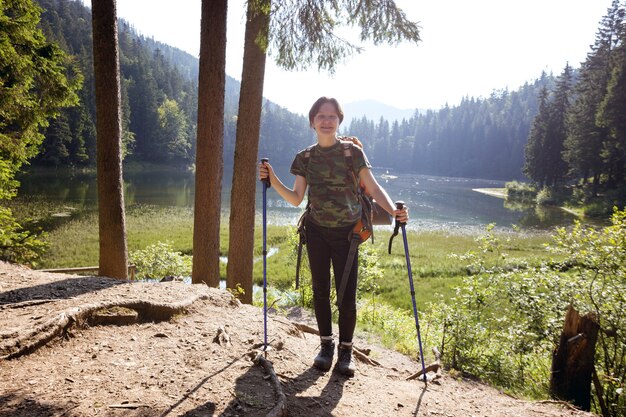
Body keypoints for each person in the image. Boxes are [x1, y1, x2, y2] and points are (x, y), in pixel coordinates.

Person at [258, 96, 409, 377]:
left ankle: (346, 351)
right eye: (321, 116)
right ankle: (325, 346)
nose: (326, 121)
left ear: (339, 120)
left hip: (348, 235)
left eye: (331, 116)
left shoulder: (352, 153)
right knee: (319, 292)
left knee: (346, 296)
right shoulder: (304, 158)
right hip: (316, 232)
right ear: (312, 121)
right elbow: (295, 198)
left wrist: (395, 211)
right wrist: (272, 178)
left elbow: (373, 189)